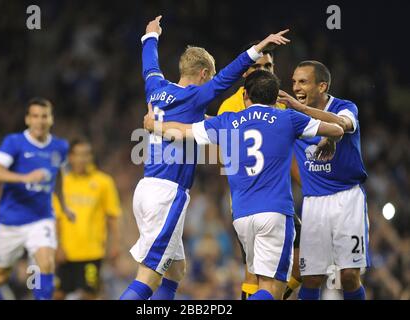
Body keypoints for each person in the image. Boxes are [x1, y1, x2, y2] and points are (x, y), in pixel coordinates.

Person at [119, 15, 290, 300]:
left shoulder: (157, 88)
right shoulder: (196, 96)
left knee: (176, 270)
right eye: (208, 78)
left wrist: (150, 35)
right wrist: (258, 48)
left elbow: (149, 64)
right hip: (167, 192)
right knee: (148, 276)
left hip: (147, 185)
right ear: (202, 74)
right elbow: (229, 75)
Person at [143, 70, 344, 299]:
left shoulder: (228, 120)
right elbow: (337, 129)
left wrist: (154, 125)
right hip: (274, 213)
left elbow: (183, 131)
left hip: (242, 217)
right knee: (272, 290)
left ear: (246, 95)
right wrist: (326, 135)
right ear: (275, 97)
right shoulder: (288, 118)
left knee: (257, 282)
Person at [278, 60, 369, 300]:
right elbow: (284, 155)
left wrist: (301, 108)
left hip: (347, 199)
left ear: (322, 86)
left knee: (348, 275)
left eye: (303, 82)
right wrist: (307, 183)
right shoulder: (289, 117)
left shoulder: (345, 107)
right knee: (311, 277)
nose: (296, 87)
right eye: (294, 82)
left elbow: (342, 124)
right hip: (314, 202)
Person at [218, 44, 301, 300]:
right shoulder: (231, 107)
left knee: (299, 265)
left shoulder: (281, 103)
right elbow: (229, 161)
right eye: (258, 66)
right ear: (245, 72)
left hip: (274, 199)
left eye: (268, 66)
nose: (264, 70)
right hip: (251, 200)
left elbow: (288, 154)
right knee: (255, 274)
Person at [0, 97, 75, 300]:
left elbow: (58, 179)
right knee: (0, 276)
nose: (40, 121)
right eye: (35, 116)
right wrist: (25, 178)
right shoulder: (14, 143)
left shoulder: (60, 147)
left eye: (44, 116)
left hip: (41, 217)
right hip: (11, 221)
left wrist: (64, 207)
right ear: (27, 119)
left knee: (46, 264)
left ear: (51, 119)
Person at [53, 138, 122, 299]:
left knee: (89, 295)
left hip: (92, 253)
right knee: (57, 294)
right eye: (77, 154)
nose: (81, 159)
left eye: (85, 154)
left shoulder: (104, 182)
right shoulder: (63, 183)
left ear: (91, 157)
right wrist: (57, 246)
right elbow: (56, 218)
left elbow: (113, 216)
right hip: (67, 253)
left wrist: (116, 244)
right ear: (70, 157)